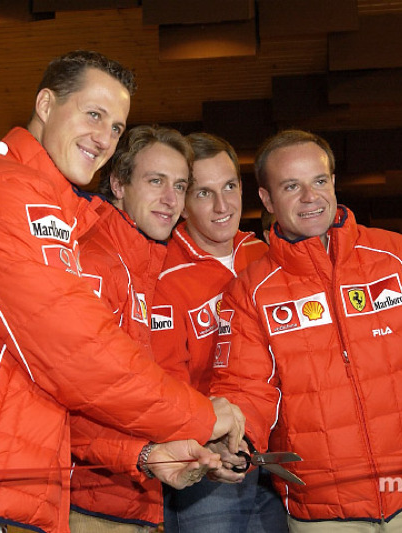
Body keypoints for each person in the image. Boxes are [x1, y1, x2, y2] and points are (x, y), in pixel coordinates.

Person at [0, 51, 244, 533]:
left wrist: (142, 452)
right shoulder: (3, 193)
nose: (103, 137)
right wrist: (201, 417)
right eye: (93, 114)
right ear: (46, 103)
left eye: (116, 127)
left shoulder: (39, 202)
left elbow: (51, 385)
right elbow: (81, 357)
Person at [210, 129, 402, 532]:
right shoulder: (249, 292)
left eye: (320, 181)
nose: (311, 197)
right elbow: (245, 390)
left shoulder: (401, 257)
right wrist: (234, 444)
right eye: (292, 186)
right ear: (267, 199)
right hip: (323, 512)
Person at [152, 132, 287, 532]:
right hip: (210, 460)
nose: (223, 206)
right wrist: (206, 438)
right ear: (181, 202)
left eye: (229, 187)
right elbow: (163, 378)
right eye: (203, 193)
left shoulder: (265, 255)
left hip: (279, 452)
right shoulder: (160, 273)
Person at [68, 124, 195, 532]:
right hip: (87, 502)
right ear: (118, 184)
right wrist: (143, 454)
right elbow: (73, 398)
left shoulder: (142, 266)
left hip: (135, 498)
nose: (170, 199)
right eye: (155, 181)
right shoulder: (94, 262)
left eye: (180, 185)